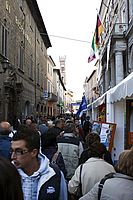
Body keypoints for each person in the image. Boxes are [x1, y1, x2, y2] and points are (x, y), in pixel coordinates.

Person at [11, 124, 68, 200]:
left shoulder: (54, 174)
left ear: (33, 152)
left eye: (19, 151)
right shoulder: (7, 174)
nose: (13, 156)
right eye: (12, 150)